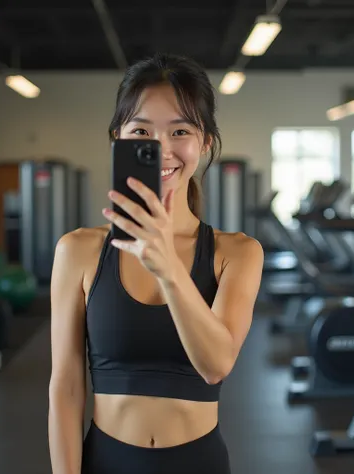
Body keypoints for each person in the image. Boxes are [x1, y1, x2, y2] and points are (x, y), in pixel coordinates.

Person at [48, 52, 264, 474]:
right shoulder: (78, 251)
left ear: (204, 143)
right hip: (105, 460)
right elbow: (67, 387)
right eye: (141, 131)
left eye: (179, 130)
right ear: (118, 139)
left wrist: (167, 266)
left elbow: (216, 365)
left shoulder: (237, 253)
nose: (161, 149)